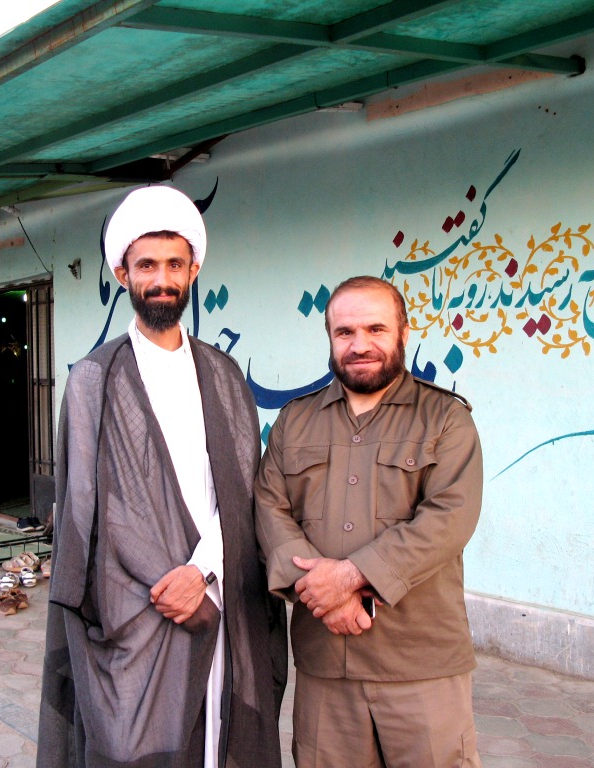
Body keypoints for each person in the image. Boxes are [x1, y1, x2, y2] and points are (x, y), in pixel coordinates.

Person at [38, 185, 286, 768]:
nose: (161, 279)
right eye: (146, 265)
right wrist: (163, 580)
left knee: (221, 735)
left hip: (220, 585)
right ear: (122, 274)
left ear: (194, 271)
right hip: (136, 604)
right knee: (134, 743)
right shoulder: (92, 380)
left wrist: (203, 571)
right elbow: (87, 510)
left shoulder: (224, 374)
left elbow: (244, 493)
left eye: (175, 264)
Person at [254, 275, 483, 768]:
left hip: (420, 664)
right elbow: (270, 508)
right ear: (330, 338)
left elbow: (449, 517)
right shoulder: (294, 421)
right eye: (345, 332)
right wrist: (320, 592)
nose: (360, 345)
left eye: (376, 329)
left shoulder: (445, 419)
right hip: (325, 664)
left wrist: (349, 577)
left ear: (403, 332)